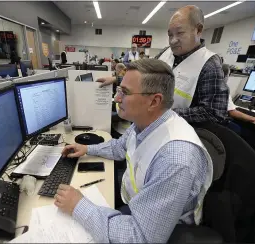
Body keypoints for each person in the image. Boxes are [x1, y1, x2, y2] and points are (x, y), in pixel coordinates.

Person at [55, 59, 213, 243]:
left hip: (155, 226)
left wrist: (78, 206)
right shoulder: (145, 122)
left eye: (125, 92)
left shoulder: (175, 158)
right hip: (138, 202)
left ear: (154, 101)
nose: (116, 98)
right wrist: (87, 148)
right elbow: (120, 147)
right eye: (119, 90)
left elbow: (141, 237)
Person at [96, 5, 229, 124]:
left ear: (198, 30)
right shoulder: (166, 52)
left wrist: (165, 113)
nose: (173, 41)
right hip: (149, 125)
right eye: (170, 35)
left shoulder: (209, 65)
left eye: (180, 33)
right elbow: (145, 76)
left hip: (177, 133)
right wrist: (116, 79)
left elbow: (214, 113)